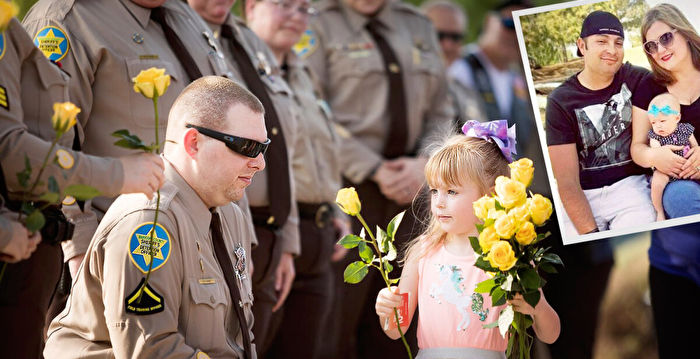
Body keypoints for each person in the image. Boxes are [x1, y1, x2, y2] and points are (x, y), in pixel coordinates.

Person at [22, 0, 234, 324]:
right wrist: (78, 251)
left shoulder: (182, 14)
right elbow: (45, 147)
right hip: (116, 261)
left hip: (206, 254)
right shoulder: (65, 18)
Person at [43, 76, 263, 359]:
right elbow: (151, 351)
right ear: (193, 143)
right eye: (246, 147)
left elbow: (240, 340)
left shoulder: (230, 215)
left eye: (263, 147)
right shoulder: (149, 220)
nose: (259, 163)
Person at [0, 12, 163, 357]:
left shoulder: (7, 24)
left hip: (32, 243)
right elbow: (9, 149)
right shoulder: (59, 18)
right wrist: (118, 174)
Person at [303, 0, 455, 356]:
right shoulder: (317, 24)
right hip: (348, 196)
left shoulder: (416, 24)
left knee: (402, 322)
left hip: (416, 192)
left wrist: (425, 161)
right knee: (337, 321)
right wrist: (373, 168)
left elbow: (441, 108)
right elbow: (311, 112)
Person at [375, 130, 560, 359]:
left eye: (452, 191)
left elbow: (550, 334)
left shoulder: (509, 257)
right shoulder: (423, 252)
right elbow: (397, 329)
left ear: (489, 195)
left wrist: (538, 306)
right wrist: (386, 307)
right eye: (435, 191)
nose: (439, 202)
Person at [185, 1, 300, 354]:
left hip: (269, 232)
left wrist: (287, 240)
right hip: (226, 228)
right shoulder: (180, 35)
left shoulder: (249, 43)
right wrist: (242, 240)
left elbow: (281, 150)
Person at [543, 10, 653, 359]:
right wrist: (589, 232)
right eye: (602, 41)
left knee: (596, 295)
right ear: (581, 46)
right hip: (580, 197)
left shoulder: (636, 79)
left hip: (628, 190)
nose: (612, 49)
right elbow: (566, 182)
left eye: (618, 42)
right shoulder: (561, 101)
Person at [244, 0, 351, 357]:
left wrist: (338, 210)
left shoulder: (302, 72)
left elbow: (321, 151)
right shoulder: (234, 70)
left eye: (305, 7)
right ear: (250, 9)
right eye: (284, 4)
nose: (295, 15)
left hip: (318, 236)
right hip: (271, 236)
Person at [630, 4, 700, 357]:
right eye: (650, 46)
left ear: (684, 32)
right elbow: (638, 149)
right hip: (673, 260)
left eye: (666, 37)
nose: (660, 50)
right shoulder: (649, 87)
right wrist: (655, 156)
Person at [421, 0, 487, 127]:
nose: (448, 46)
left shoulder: (468, 94)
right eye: (439, 35)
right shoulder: (400, 86)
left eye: (456, 37)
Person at [645, 93, 696, 221]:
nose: (658, 126)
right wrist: (658, 153)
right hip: (666, 169)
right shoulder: (655, 136)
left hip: (688, 165)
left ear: (677, 118)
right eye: (654, 122)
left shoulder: (686, 129)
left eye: (662, 121)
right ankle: (659, 211)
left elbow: (695, 147)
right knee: (657, 182)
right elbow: (656, 151)